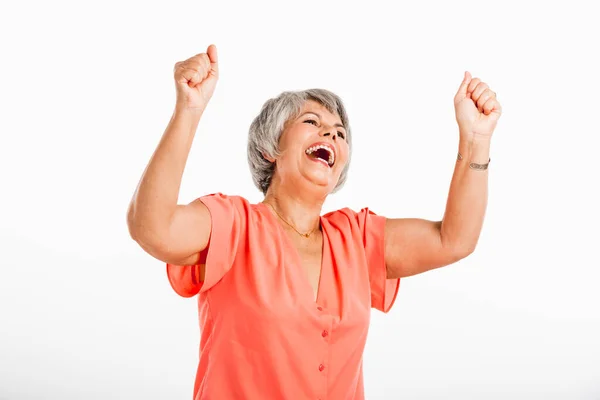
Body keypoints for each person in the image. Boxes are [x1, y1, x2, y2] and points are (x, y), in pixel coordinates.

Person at [127, 44, 502, 399]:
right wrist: (188, 110)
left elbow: (455, 240)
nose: (332, 134)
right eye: (312, 121)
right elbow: (152, 228)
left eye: (340, 133)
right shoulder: (233, 225)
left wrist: (476, 139)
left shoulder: (356, 238)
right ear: (270, 148)